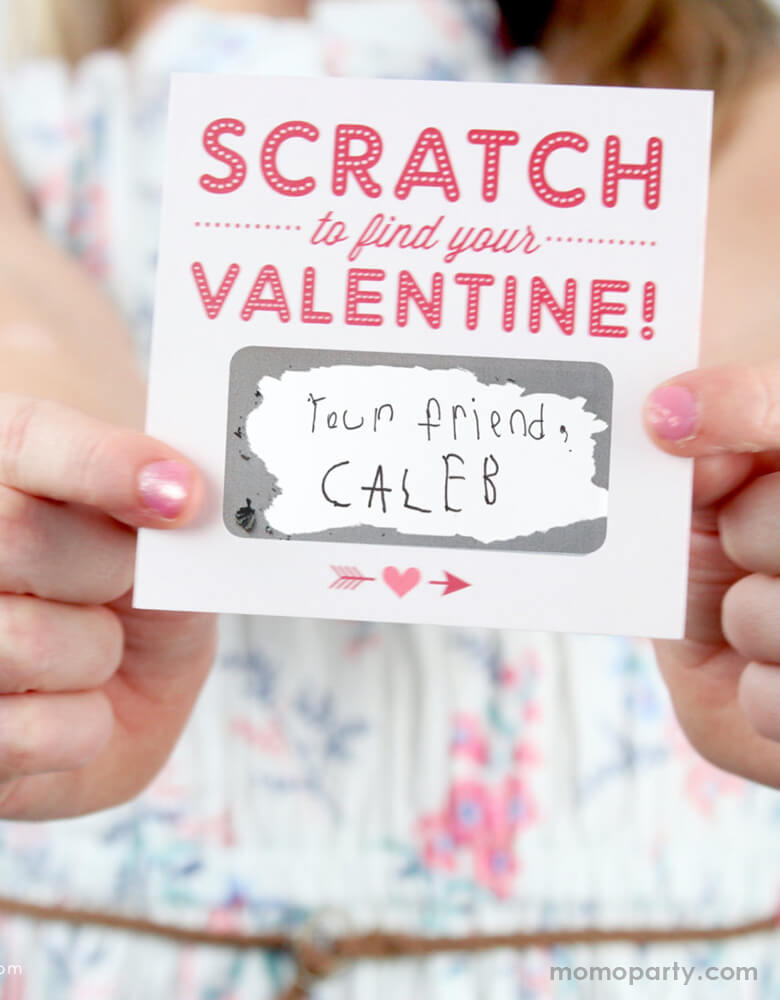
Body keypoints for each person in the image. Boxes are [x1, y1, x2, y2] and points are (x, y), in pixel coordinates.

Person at [0, 0, 778, 997]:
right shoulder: (39, 132)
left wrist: (750, 431)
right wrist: (51, 492)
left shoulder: (739, 106)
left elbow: (746, 307)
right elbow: (30, 326)